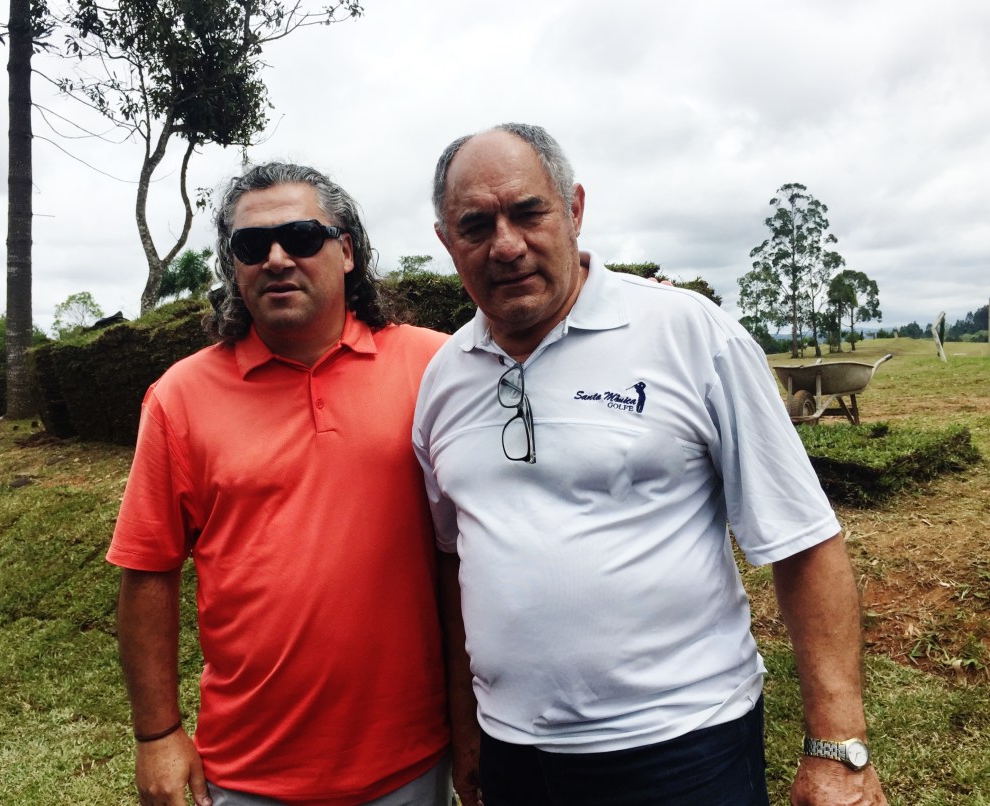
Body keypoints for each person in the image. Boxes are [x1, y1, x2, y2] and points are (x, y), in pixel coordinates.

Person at [413, 123, 888, 806]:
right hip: (515, 756)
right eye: (475, 225)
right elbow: (454, 560)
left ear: (574, 209)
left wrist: (838, 747)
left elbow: (803, 539)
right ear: (446, 241)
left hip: (684, 749)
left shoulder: (689, 334)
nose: (506, 244)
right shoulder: (444, 379)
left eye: (528, 212)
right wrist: (468, 733)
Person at [107, 162, 452, 806]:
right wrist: (156, 734)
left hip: (410, 762)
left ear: (346, 251)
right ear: (232, 267)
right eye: (250, 245)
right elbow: (148, 571)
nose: (275, 258)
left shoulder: (436, 368)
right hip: (247, 772)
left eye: (300, 236)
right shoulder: (181, 396)